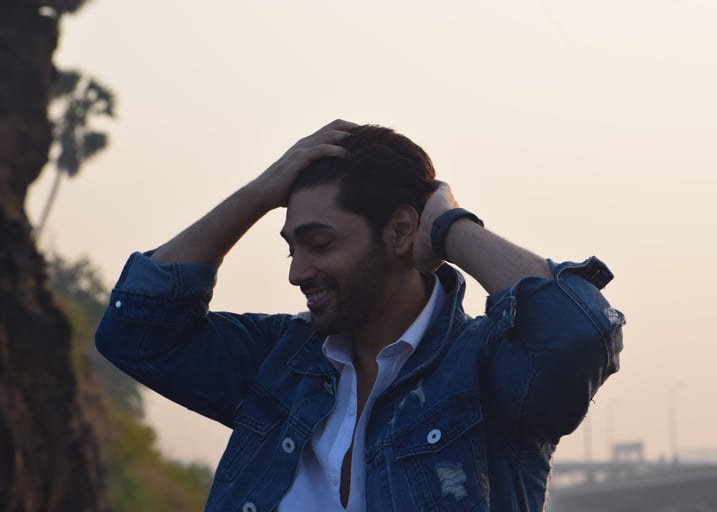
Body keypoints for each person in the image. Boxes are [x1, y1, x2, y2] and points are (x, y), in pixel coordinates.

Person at [95, 119, 624, 511]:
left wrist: (449, 227)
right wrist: (260, 193)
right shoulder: (281, 361)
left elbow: (579, 333)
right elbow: (134, 330)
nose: (297, 272)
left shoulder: (486, 370)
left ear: (400, 232)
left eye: (320, 244)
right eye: (291, 249)